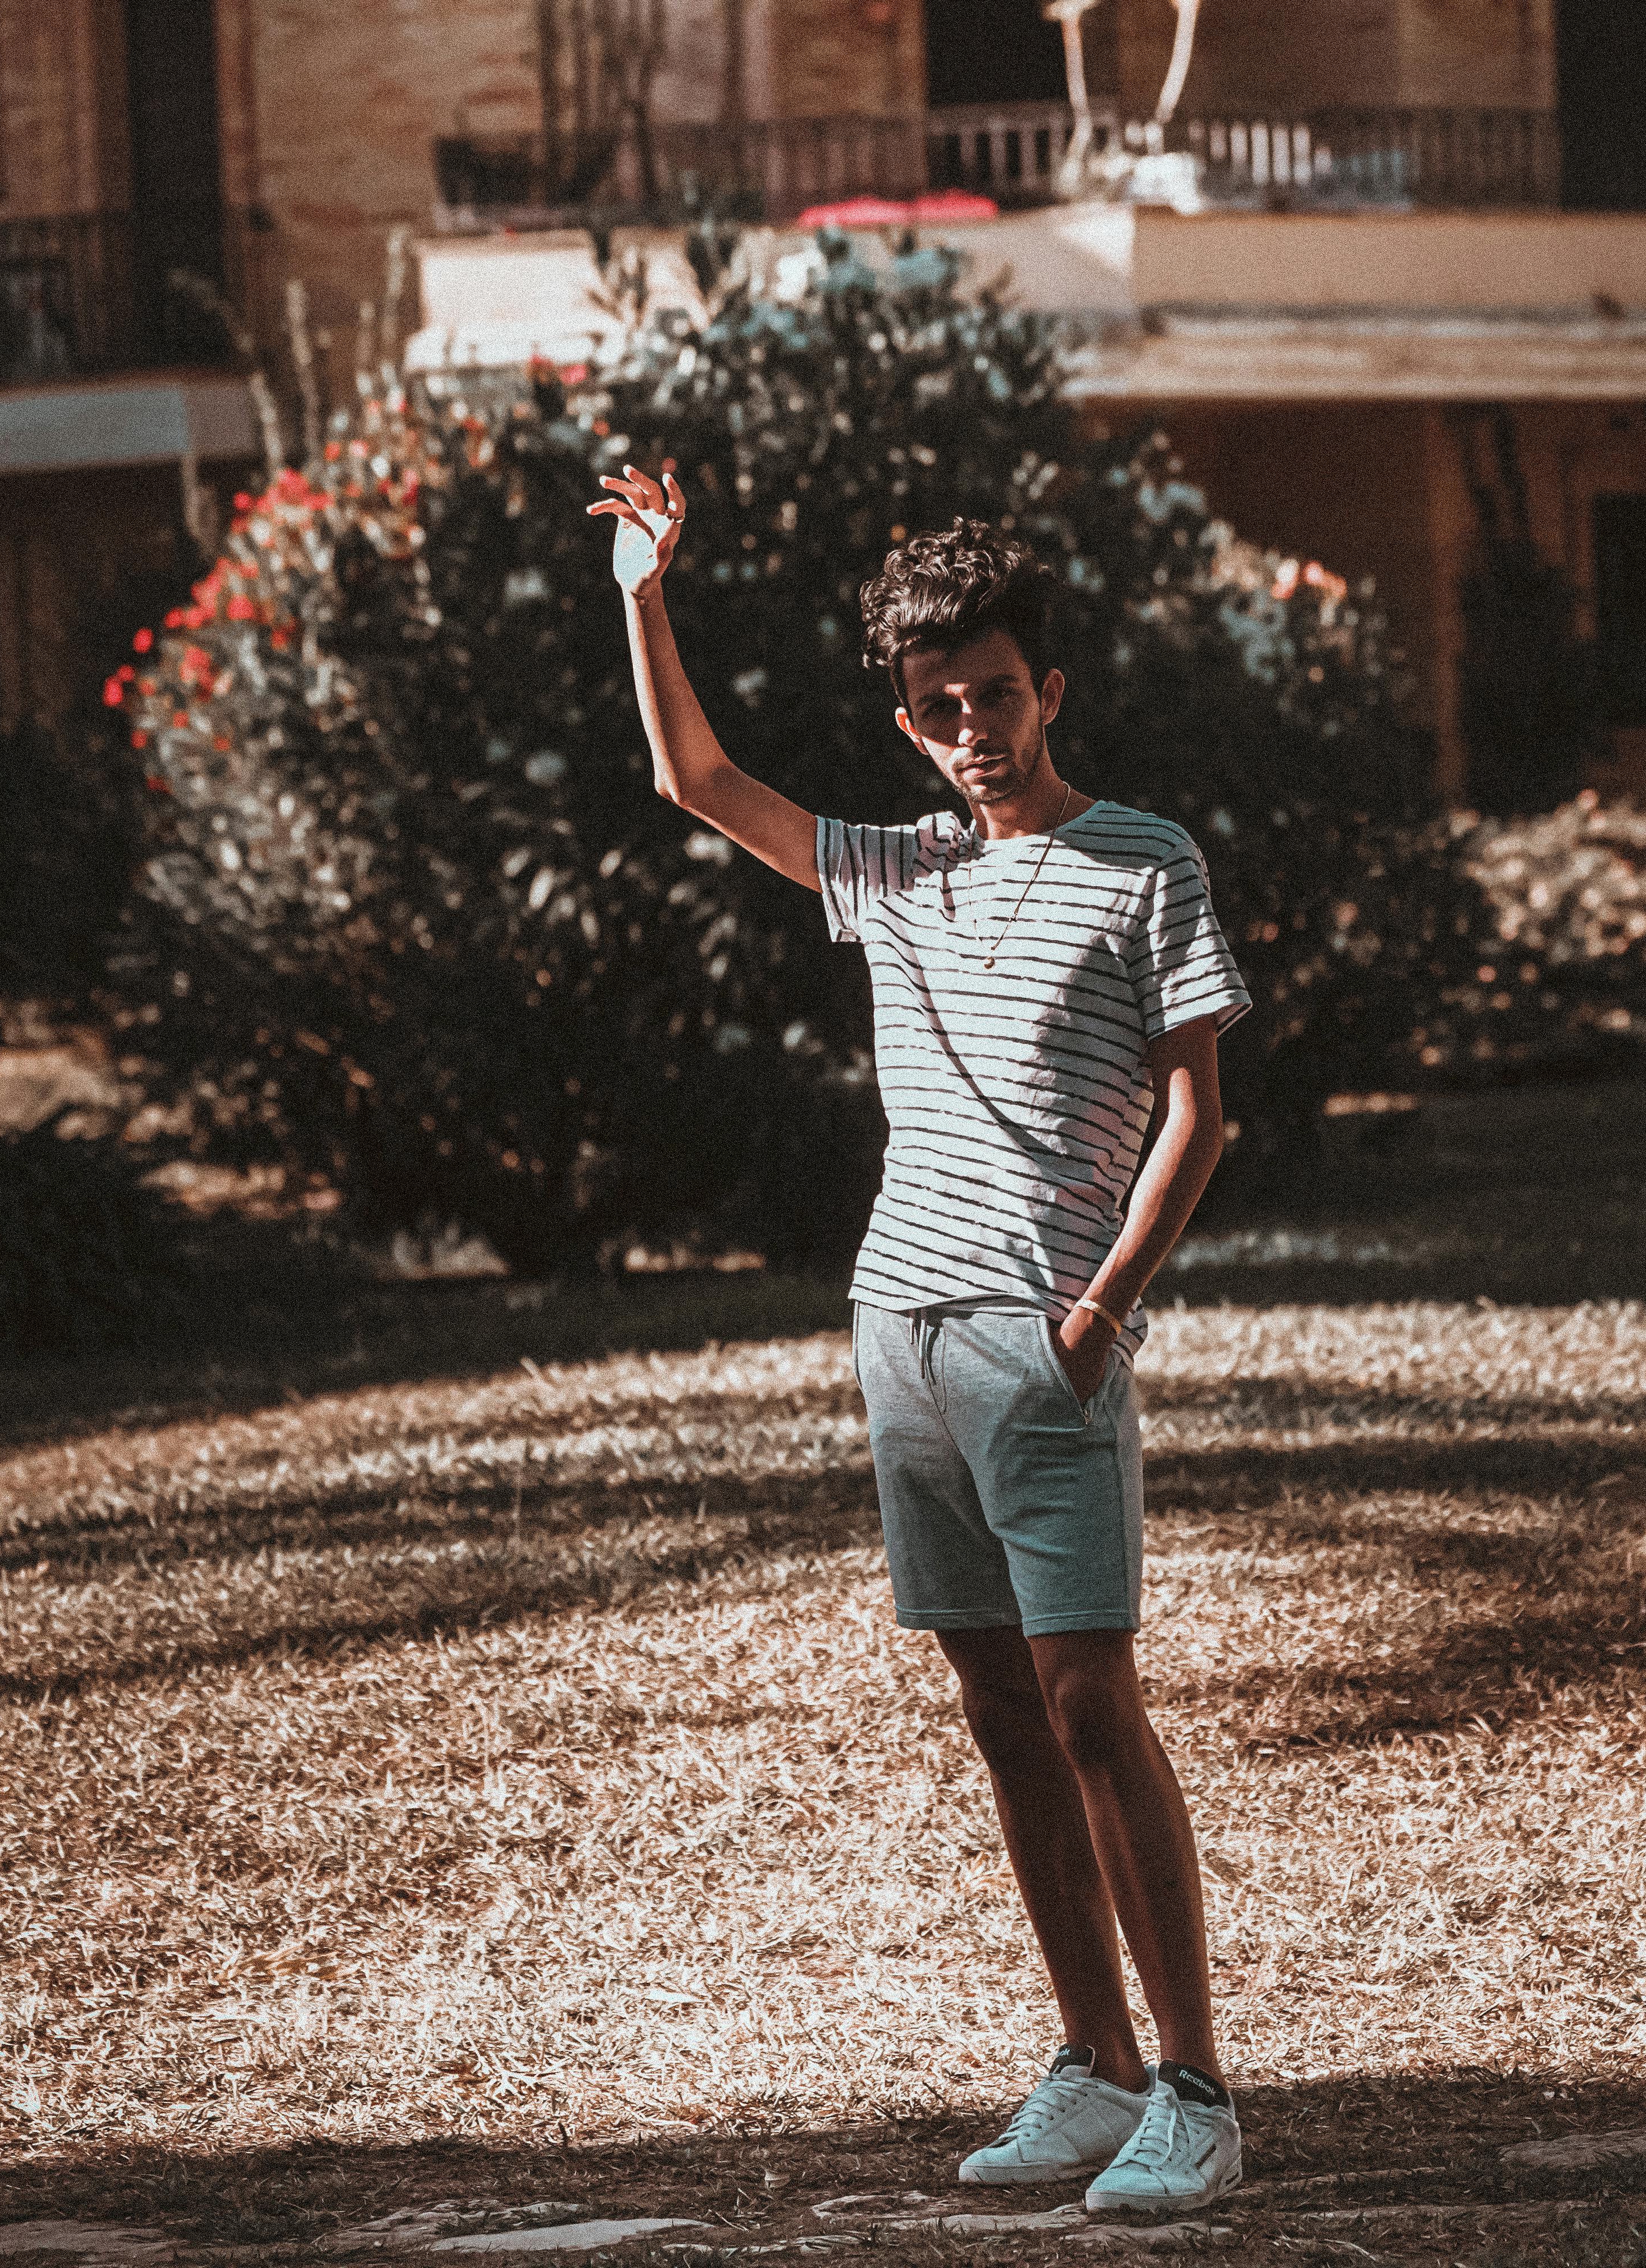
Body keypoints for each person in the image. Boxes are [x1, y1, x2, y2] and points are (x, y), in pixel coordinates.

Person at [591, 463, 1248, 2214]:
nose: (977, 729)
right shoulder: (894, 874)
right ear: (910, 719)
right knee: (998, 1703)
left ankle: (1195, 2088)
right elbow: (694, 780)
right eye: (944, 707)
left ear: (1054, 691)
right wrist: (646, 588)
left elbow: (1200, 1117)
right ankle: (1092, 2069)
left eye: (1002, 695)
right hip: (903, 1327)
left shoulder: (1142, 865)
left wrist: (1102, 1310)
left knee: (1092, 1697)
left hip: (1050, 1339)